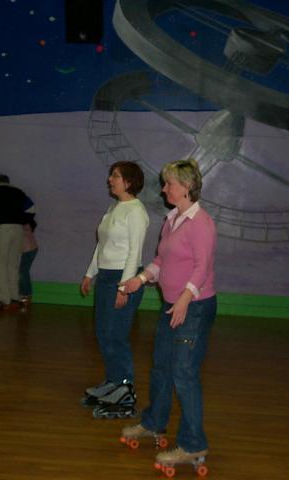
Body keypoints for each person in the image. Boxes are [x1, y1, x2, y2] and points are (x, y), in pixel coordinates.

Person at [119, 158, 216, 475]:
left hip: (195, 308)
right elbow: (161, 260)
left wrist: (186, 298)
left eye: (169, 184)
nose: (164, 189)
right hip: (172, 305)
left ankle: (193, 443)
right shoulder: (172, 219)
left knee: (184, 374)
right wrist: (140, 279)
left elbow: (202, 266)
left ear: (186, 186)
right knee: (161, 366)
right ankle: (153, 423)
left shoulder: (201, 223)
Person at [80, 161, 150, 419]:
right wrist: (90, 273)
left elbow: (134, 252)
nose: (110, 179)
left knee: (116, 336)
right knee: (103, 333)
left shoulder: (136, 211)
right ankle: (113, 382)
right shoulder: (114, 208)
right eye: (111, 175)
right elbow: (102, 245)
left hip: (123, 279)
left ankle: (125, 388)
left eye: (116, 176)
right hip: (106, 278)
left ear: (129, 182)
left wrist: (124, 287)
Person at [0, 174, 36, 312]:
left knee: (0, 264)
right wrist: (22, 220)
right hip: (18, 230)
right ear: (8, 182)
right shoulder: (19, 192)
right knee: (13, 265)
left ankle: (4, 299)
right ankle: (14, 296)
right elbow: (32, 209)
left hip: (2, 229)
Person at [18, 217, 39, 308]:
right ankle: (25, 294)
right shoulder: (24, 225)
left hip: (29, 250)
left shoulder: (23, 226)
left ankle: (26, 294)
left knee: (23, 272)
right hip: (29, 250)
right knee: (23, 271)